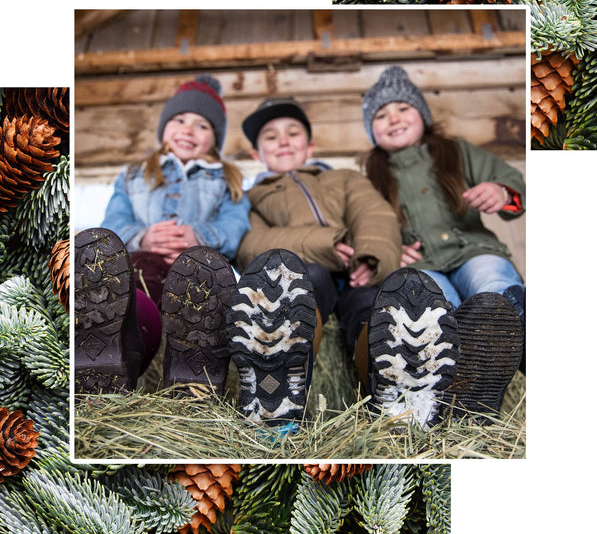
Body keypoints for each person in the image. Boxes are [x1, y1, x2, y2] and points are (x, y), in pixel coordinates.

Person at [227, 96, 410, 427]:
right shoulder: (251, 200)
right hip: (312, 274)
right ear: (257, 154)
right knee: (301, 282)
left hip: (357, 272)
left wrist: (371, 255)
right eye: (271, 137)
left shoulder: (343, 179)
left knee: (372, 303)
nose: (283, 141)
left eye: (293, 133)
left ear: (310, 147)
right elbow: (250, 245)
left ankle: (389, 387)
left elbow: (373, 213)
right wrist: (325, 243)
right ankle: (278, 382)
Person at [360, 66, 526, 422]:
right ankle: (463, 377)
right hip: (422, 264)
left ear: (423, 115)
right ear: (370, 131)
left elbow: (509, 179)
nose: (393, 119)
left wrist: (500, 191)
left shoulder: (457, 153)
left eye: (403, 109)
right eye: (381, 115)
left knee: (491, 284)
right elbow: (369, 224)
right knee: (436, 308)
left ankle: (511, 318)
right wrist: (390, 250)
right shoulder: (371, 176)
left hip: (472, 249)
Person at [75, 75, 251, 395]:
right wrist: (142, 237)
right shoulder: (134, 175)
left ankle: (197, 365)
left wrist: (198, 235)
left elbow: (235, 225)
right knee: (139, 279)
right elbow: (113, 222)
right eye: (179, 120)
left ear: (216, 137)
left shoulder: (226, 179)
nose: (187, 130)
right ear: (164, 127)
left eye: (202, 125)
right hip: (146, 261)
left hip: (200, 267)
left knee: (205, 284)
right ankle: (121, 355)